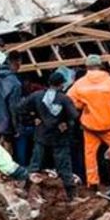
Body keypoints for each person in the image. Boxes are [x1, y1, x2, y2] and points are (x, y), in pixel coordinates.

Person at [19, 71, 81, 200]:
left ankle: (25, 190)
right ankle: (72, 195)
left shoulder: (37, 96)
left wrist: (33, 118)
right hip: (59, 137)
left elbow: (20, 108)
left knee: (35, 165)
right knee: (64, 166)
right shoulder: (63, 99)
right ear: (62, 84)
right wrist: (65, 123)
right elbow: (75, 116)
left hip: (41, 135)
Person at [68, 55, 110, 190]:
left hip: (89, 125)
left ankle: (92, 182)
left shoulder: (80, 83)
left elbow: (70, 100)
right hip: (108, 124)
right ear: (101, 66)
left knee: (90, 154)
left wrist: (82, 105)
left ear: (87, 67)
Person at [0, 53, 23, 147]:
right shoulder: (15, 84)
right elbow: (14, 108)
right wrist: (16, 128)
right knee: (7, 149)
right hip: (6, 122)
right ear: (17, 63)